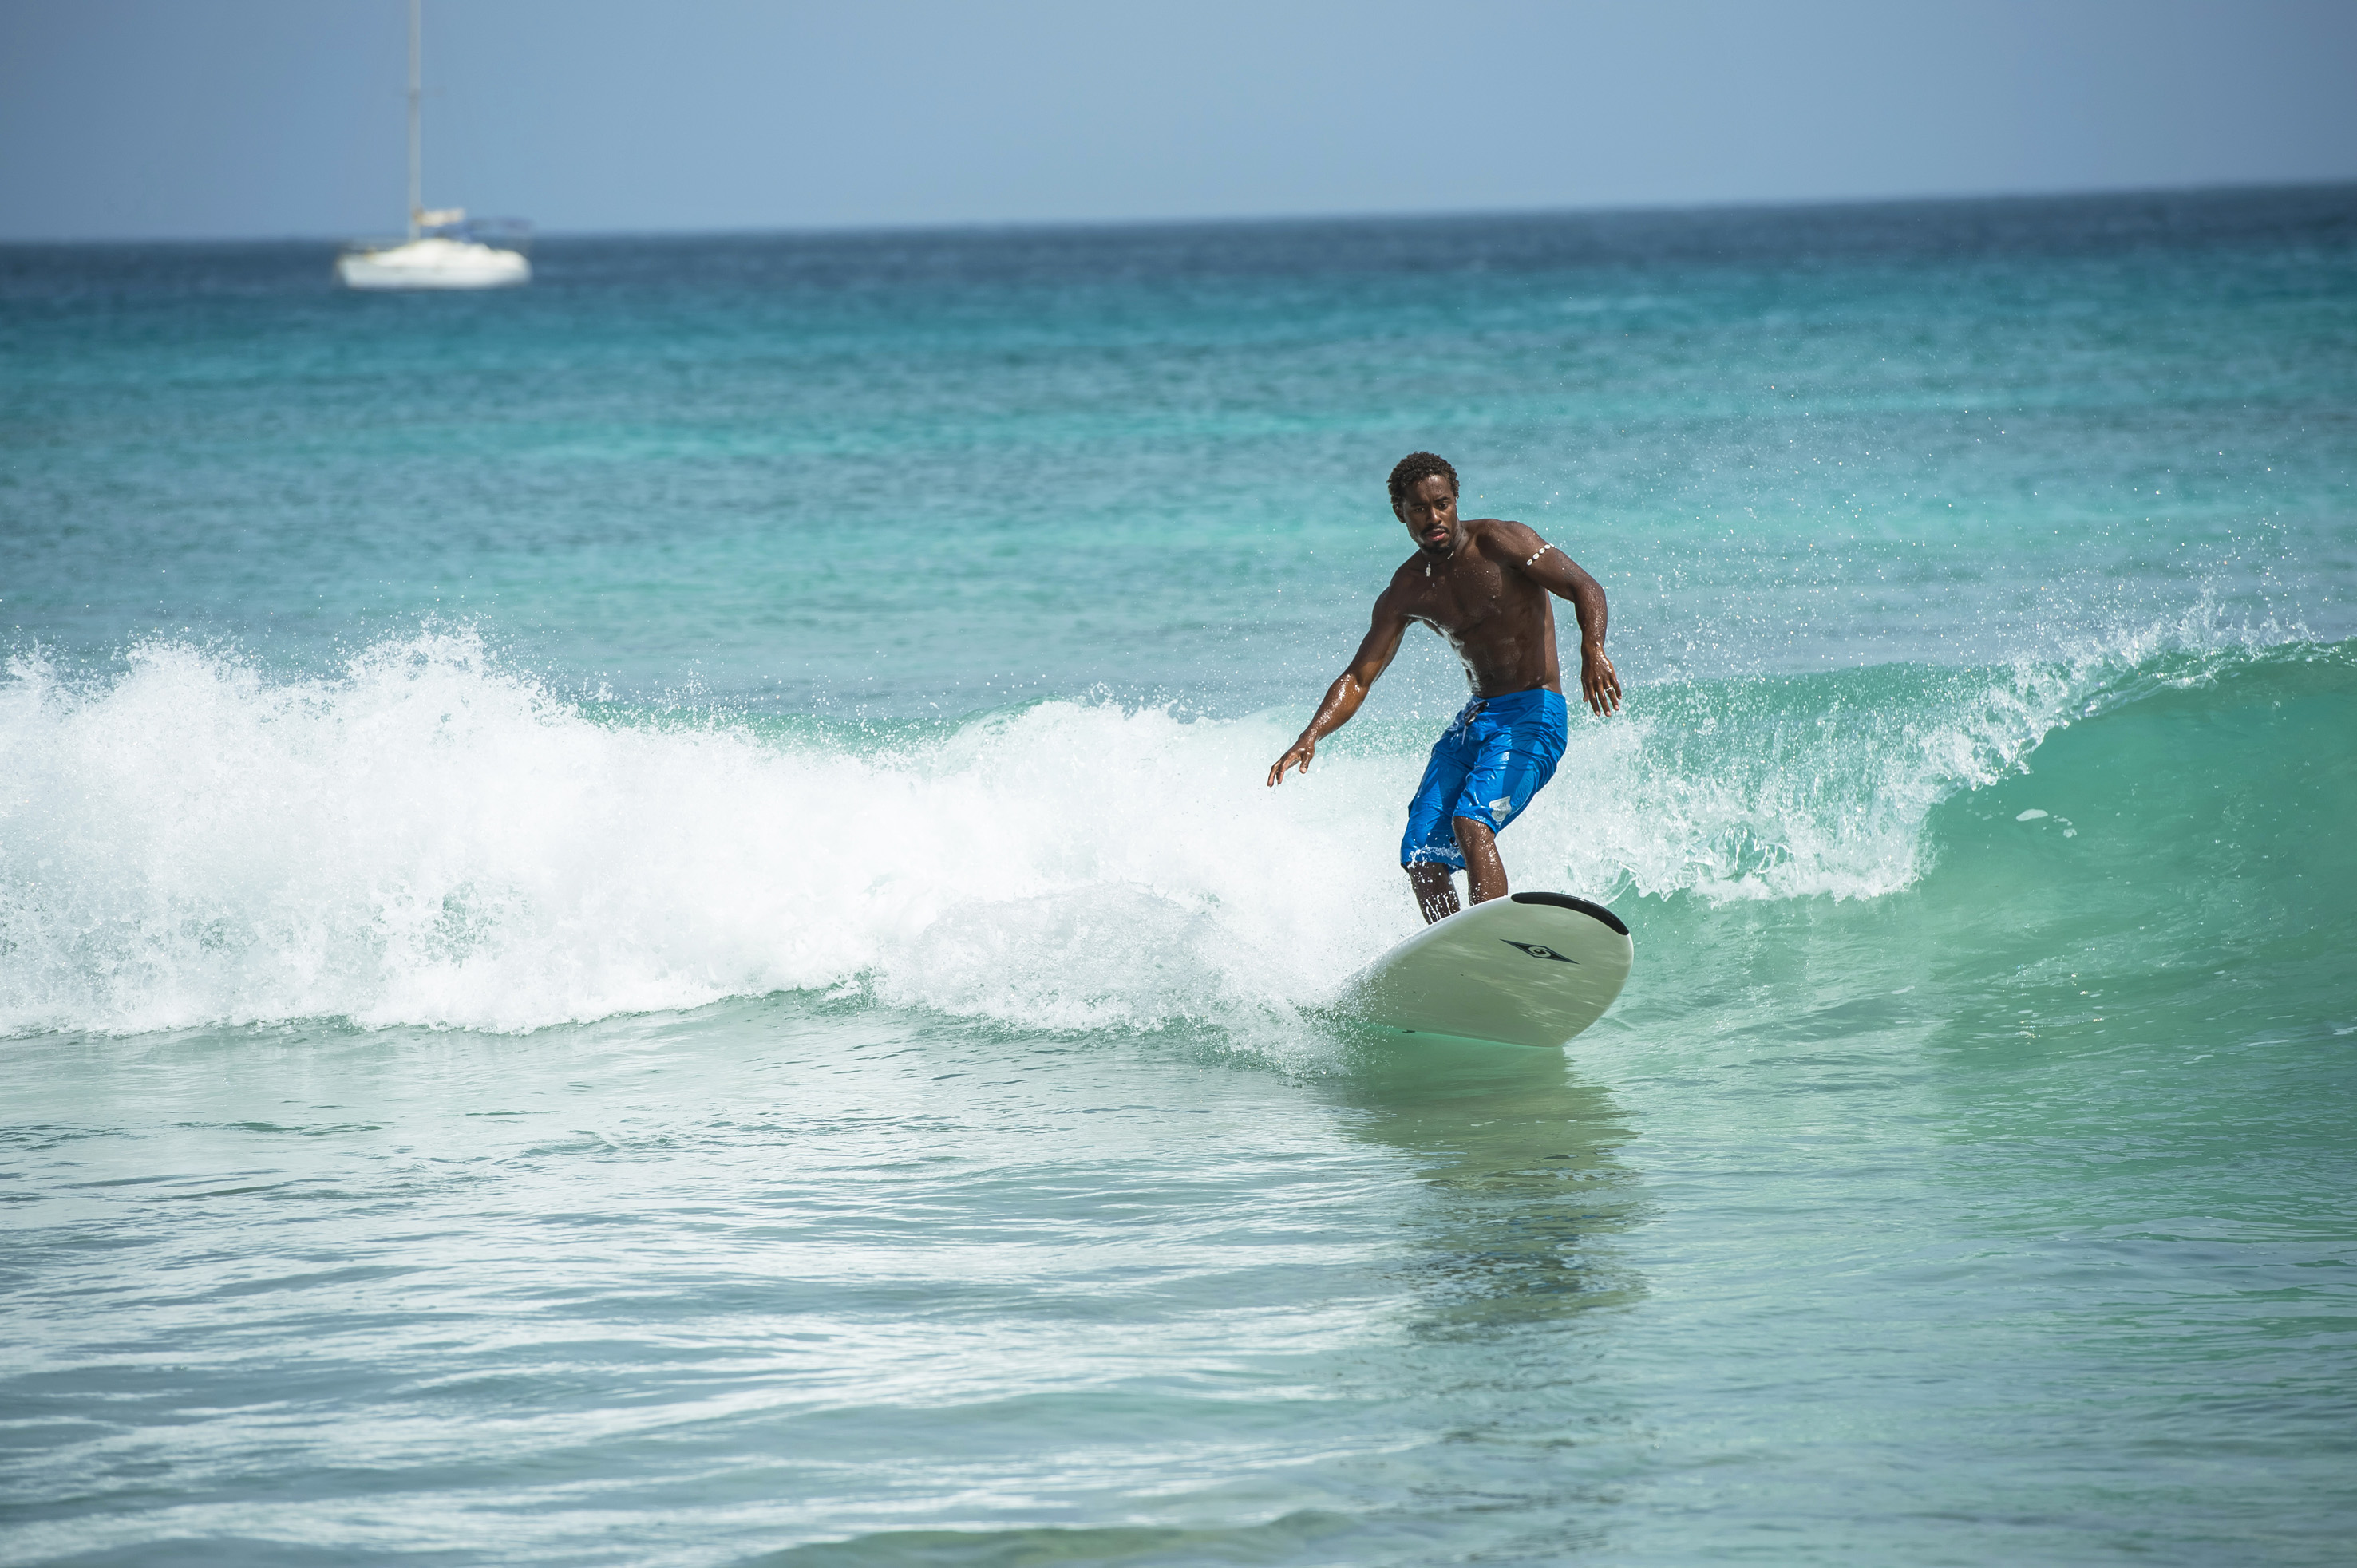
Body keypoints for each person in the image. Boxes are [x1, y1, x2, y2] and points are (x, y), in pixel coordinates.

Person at [1266, 452, 1622, 924]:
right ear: (1401, 513)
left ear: (1456, 501)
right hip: (1475, 721)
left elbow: (1584, 586)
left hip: (1534, 715)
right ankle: (1455, 955)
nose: (1433, 517)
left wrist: (1592, 650)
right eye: (1419, 508)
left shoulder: (1501, 541)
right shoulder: (1406, 589)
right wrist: (1311, 734)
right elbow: (1358, 677)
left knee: (1472, 823)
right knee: (1421, 854)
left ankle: (1495, 940)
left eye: (1443, 503)